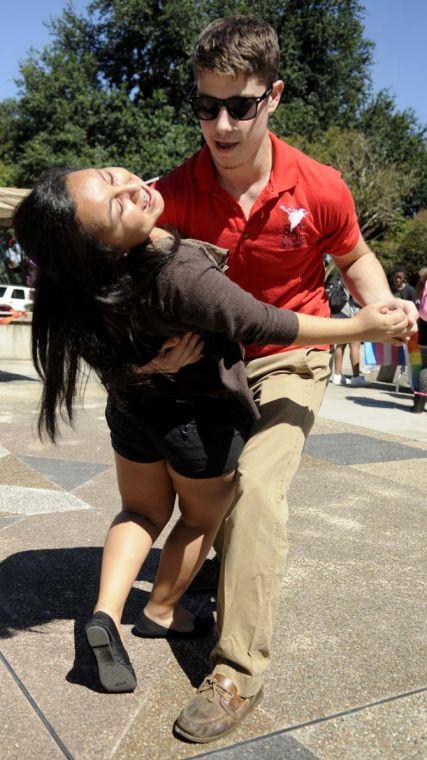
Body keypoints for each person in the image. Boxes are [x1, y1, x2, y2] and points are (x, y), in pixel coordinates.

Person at [12, 166, 406, 696]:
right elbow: (262, 322)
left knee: (140, 513)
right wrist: (359, 328)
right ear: (104, 248)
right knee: (199, 520)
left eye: (113, 176)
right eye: (116, 206)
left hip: (131, 412)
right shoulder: (176, 272)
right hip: (197, 420)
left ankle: (104, 614)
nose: (132, 189)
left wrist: (144, 371)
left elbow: (102, 357)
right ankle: (162, 610)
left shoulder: (81, 287)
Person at [136, 16, 418, 743]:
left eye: (241, 105)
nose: (221, 124)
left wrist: (376, 305)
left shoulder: (319, 187)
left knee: (258, 489)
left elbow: (353, 259)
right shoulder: (172, 193)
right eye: (206, 105)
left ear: (274, 97)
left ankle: (236, 670)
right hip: (210, 362)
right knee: (211, 494)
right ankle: (217, 576)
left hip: (294, 352)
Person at [328, 276, 366, 386]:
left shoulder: (343, 275)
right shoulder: (357, 275)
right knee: (355, 345)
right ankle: (356, 377)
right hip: (351, 312)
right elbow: (356, 298)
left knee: (340, 345)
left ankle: (337, 376)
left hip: (340, 311)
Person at [411, 266, 427, 413]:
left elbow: (417, 306)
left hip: (424, 328)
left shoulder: (421, 285)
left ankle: (418, 406)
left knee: (424, 366)